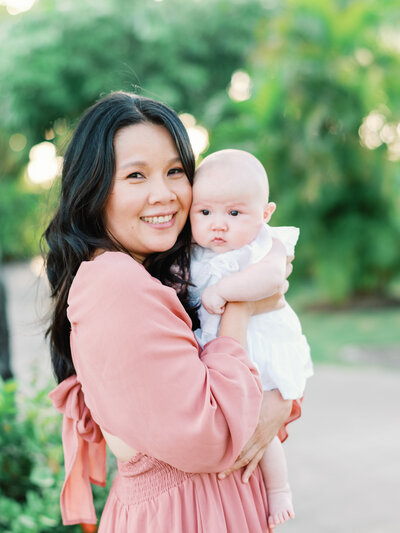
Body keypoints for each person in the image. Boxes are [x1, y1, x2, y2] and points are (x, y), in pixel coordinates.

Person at [45, 91, 300, 533]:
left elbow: (263, 378)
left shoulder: (160, 275)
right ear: (94, 187)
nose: (163, 194)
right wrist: (239, 305)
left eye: (175, 171)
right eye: (136, 176)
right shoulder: (116, 284)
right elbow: (215, 434)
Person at [189, 149, 313, 530]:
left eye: (234, 213)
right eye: (205, 212)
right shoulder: (194, 253)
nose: (218, 225)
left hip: (262, 349)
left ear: (265, 214)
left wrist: (227, 290)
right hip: (220, 349)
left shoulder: (266, 244)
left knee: (262, 425)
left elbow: (274, 280)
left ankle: (280, 491)